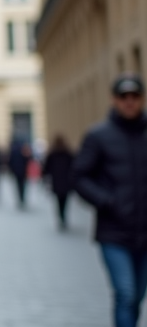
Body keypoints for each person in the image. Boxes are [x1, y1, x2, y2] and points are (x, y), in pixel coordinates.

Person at [74, 73, 147, 327]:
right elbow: (80, 177)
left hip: (145, 233)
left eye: (135, 96)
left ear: (142, 99)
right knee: (125, 293)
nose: (129, 102)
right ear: (114, 100)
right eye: (123, 97)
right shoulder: (98, 136)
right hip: (113, 232)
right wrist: (107, 201)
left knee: (137, 297)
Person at [41, 135, 75, 230]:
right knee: (65, 201)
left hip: (56, 181)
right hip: (66, 181)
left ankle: (60, 217)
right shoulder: (68, 153)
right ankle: (63, 217)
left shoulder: (52, 154)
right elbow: (74, 166)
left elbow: (46, 168)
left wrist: (44, 178)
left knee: (58, 201)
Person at [8, 137, 32, 209]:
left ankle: (20, 199)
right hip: (23, 171)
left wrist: (11, 170)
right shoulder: (23, 150)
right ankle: (22, 198)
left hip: (17, 171)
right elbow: (28, 160)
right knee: (22, 186)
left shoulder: (13, 151)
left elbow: (10, 161)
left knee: (18, 186)